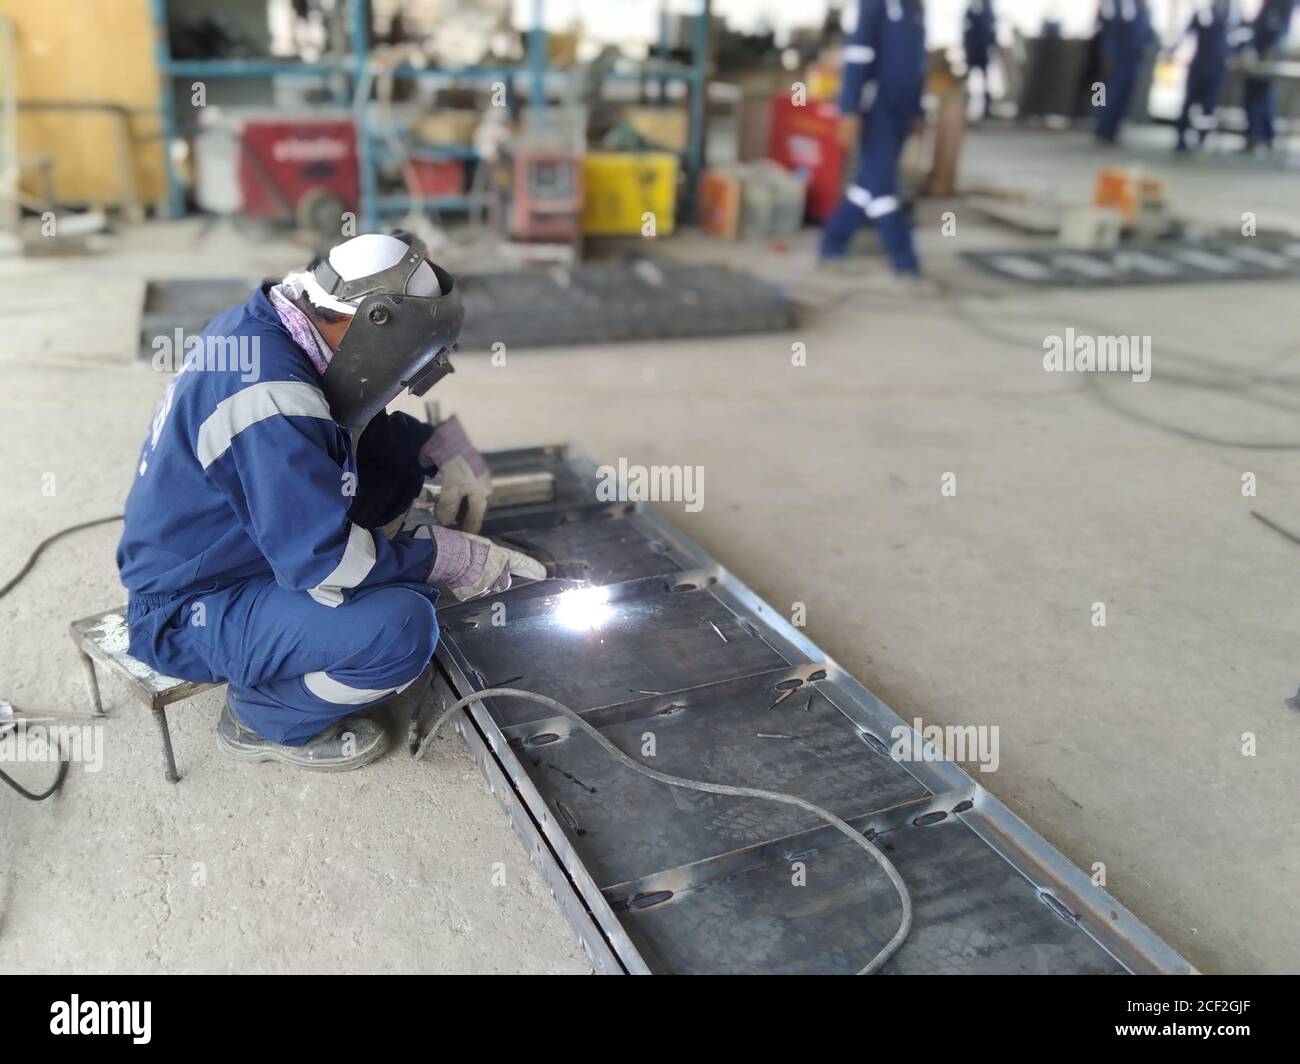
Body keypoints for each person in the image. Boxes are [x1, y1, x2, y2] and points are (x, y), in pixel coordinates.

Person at [117, 232, 545, 771]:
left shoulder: (277, 326)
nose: (403, 384)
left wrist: (446, 448)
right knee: (402, 627)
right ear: (372, 325)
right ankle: (264, 716)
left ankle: (308, 630)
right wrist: (440, 557)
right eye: (405, 367)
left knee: (392, 471)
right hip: (189, 607)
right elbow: (322, 561)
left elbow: (357, 426)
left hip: (229, 547)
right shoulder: (272, 399)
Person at [819, 0, 927, 276]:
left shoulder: (915, 8)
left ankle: (833, 241)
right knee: (883, 188)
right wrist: (849, 109)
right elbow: (857, 56)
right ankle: (905, 259)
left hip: (902, 110)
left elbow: (916, 63)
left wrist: (917, 111)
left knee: (869, 184)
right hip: (876, 109)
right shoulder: (875, 4)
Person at [1094, 0, 1157, 145]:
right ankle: (1102, 129)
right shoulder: (1117, 4)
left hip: (1134, 59)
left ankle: (1113, 130)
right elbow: (1110, 30)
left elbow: (1148, 31)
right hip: (1118, 59)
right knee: (1107, 95)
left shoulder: (1143, 7)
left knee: (1124, 97)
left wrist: (1150, 45)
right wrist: (1109, 55)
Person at [1174, 1, 1233, 152]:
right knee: (1189, 103)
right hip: (1199, 66)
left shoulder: (1230, 16)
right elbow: (1186, 34)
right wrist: (1172, 50)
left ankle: (1201, 139)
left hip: (1217, 69)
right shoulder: (1201, 14)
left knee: (1209, 106)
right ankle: (1181, 139)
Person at [1240, 0, 1296, 152]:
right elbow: (1260, 23)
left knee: (1259, 94)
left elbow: (1280, 25)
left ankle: (1258, 137)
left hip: (1269, 51)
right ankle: (1265, 136)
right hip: (1260, 49)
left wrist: (1272, 48)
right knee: (1261, 94)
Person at [963, 0, 998, 118]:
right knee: (969, 81)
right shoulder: (973, 12)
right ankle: (965, 107)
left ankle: (986, 109)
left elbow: (991, 32)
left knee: (983, 81)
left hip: (981, 51)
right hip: (975, 51)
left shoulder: (987, 12)